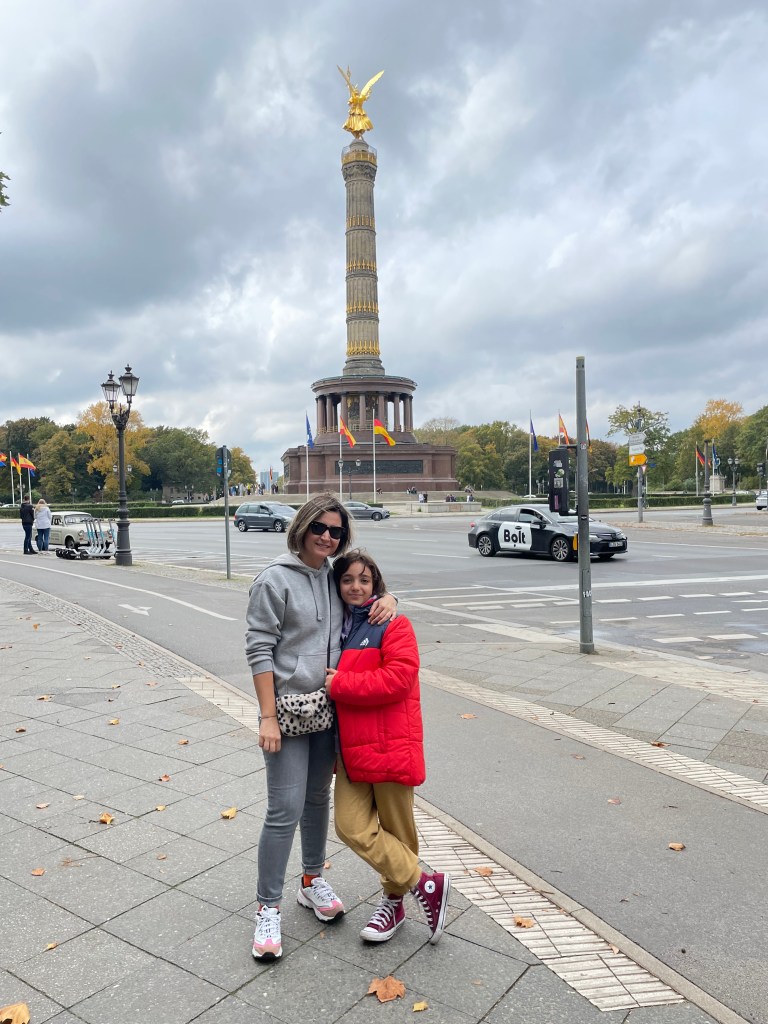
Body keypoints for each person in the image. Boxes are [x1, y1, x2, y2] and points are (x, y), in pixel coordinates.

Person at [244, 493, 397, 962]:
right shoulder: (274, 579)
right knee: (283, 809)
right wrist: (268, 717)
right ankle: (267, 906)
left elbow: (365, 590)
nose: (327, 537)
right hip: (287, 712)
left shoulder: (332, 575)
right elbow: (259, 648)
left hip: (328, 711)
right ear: (303, 527)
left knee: (316, 800)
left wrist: (391, 598)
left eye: (336, 531)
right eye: (319, 528)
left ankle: (311, 880)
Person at [326, 549, 450, 945]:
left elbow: (399, 679)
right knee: (350, 827)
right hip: (350, 749)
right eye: (348, 579)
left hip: (389, 743)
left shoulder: (393, 623)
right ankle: (424, 882)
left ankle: (394, 904)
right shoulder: (336, 625)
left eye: (364, 580)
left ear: (376, 584)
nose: (356, 587)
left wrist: (339, 684)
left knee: (398, 830)